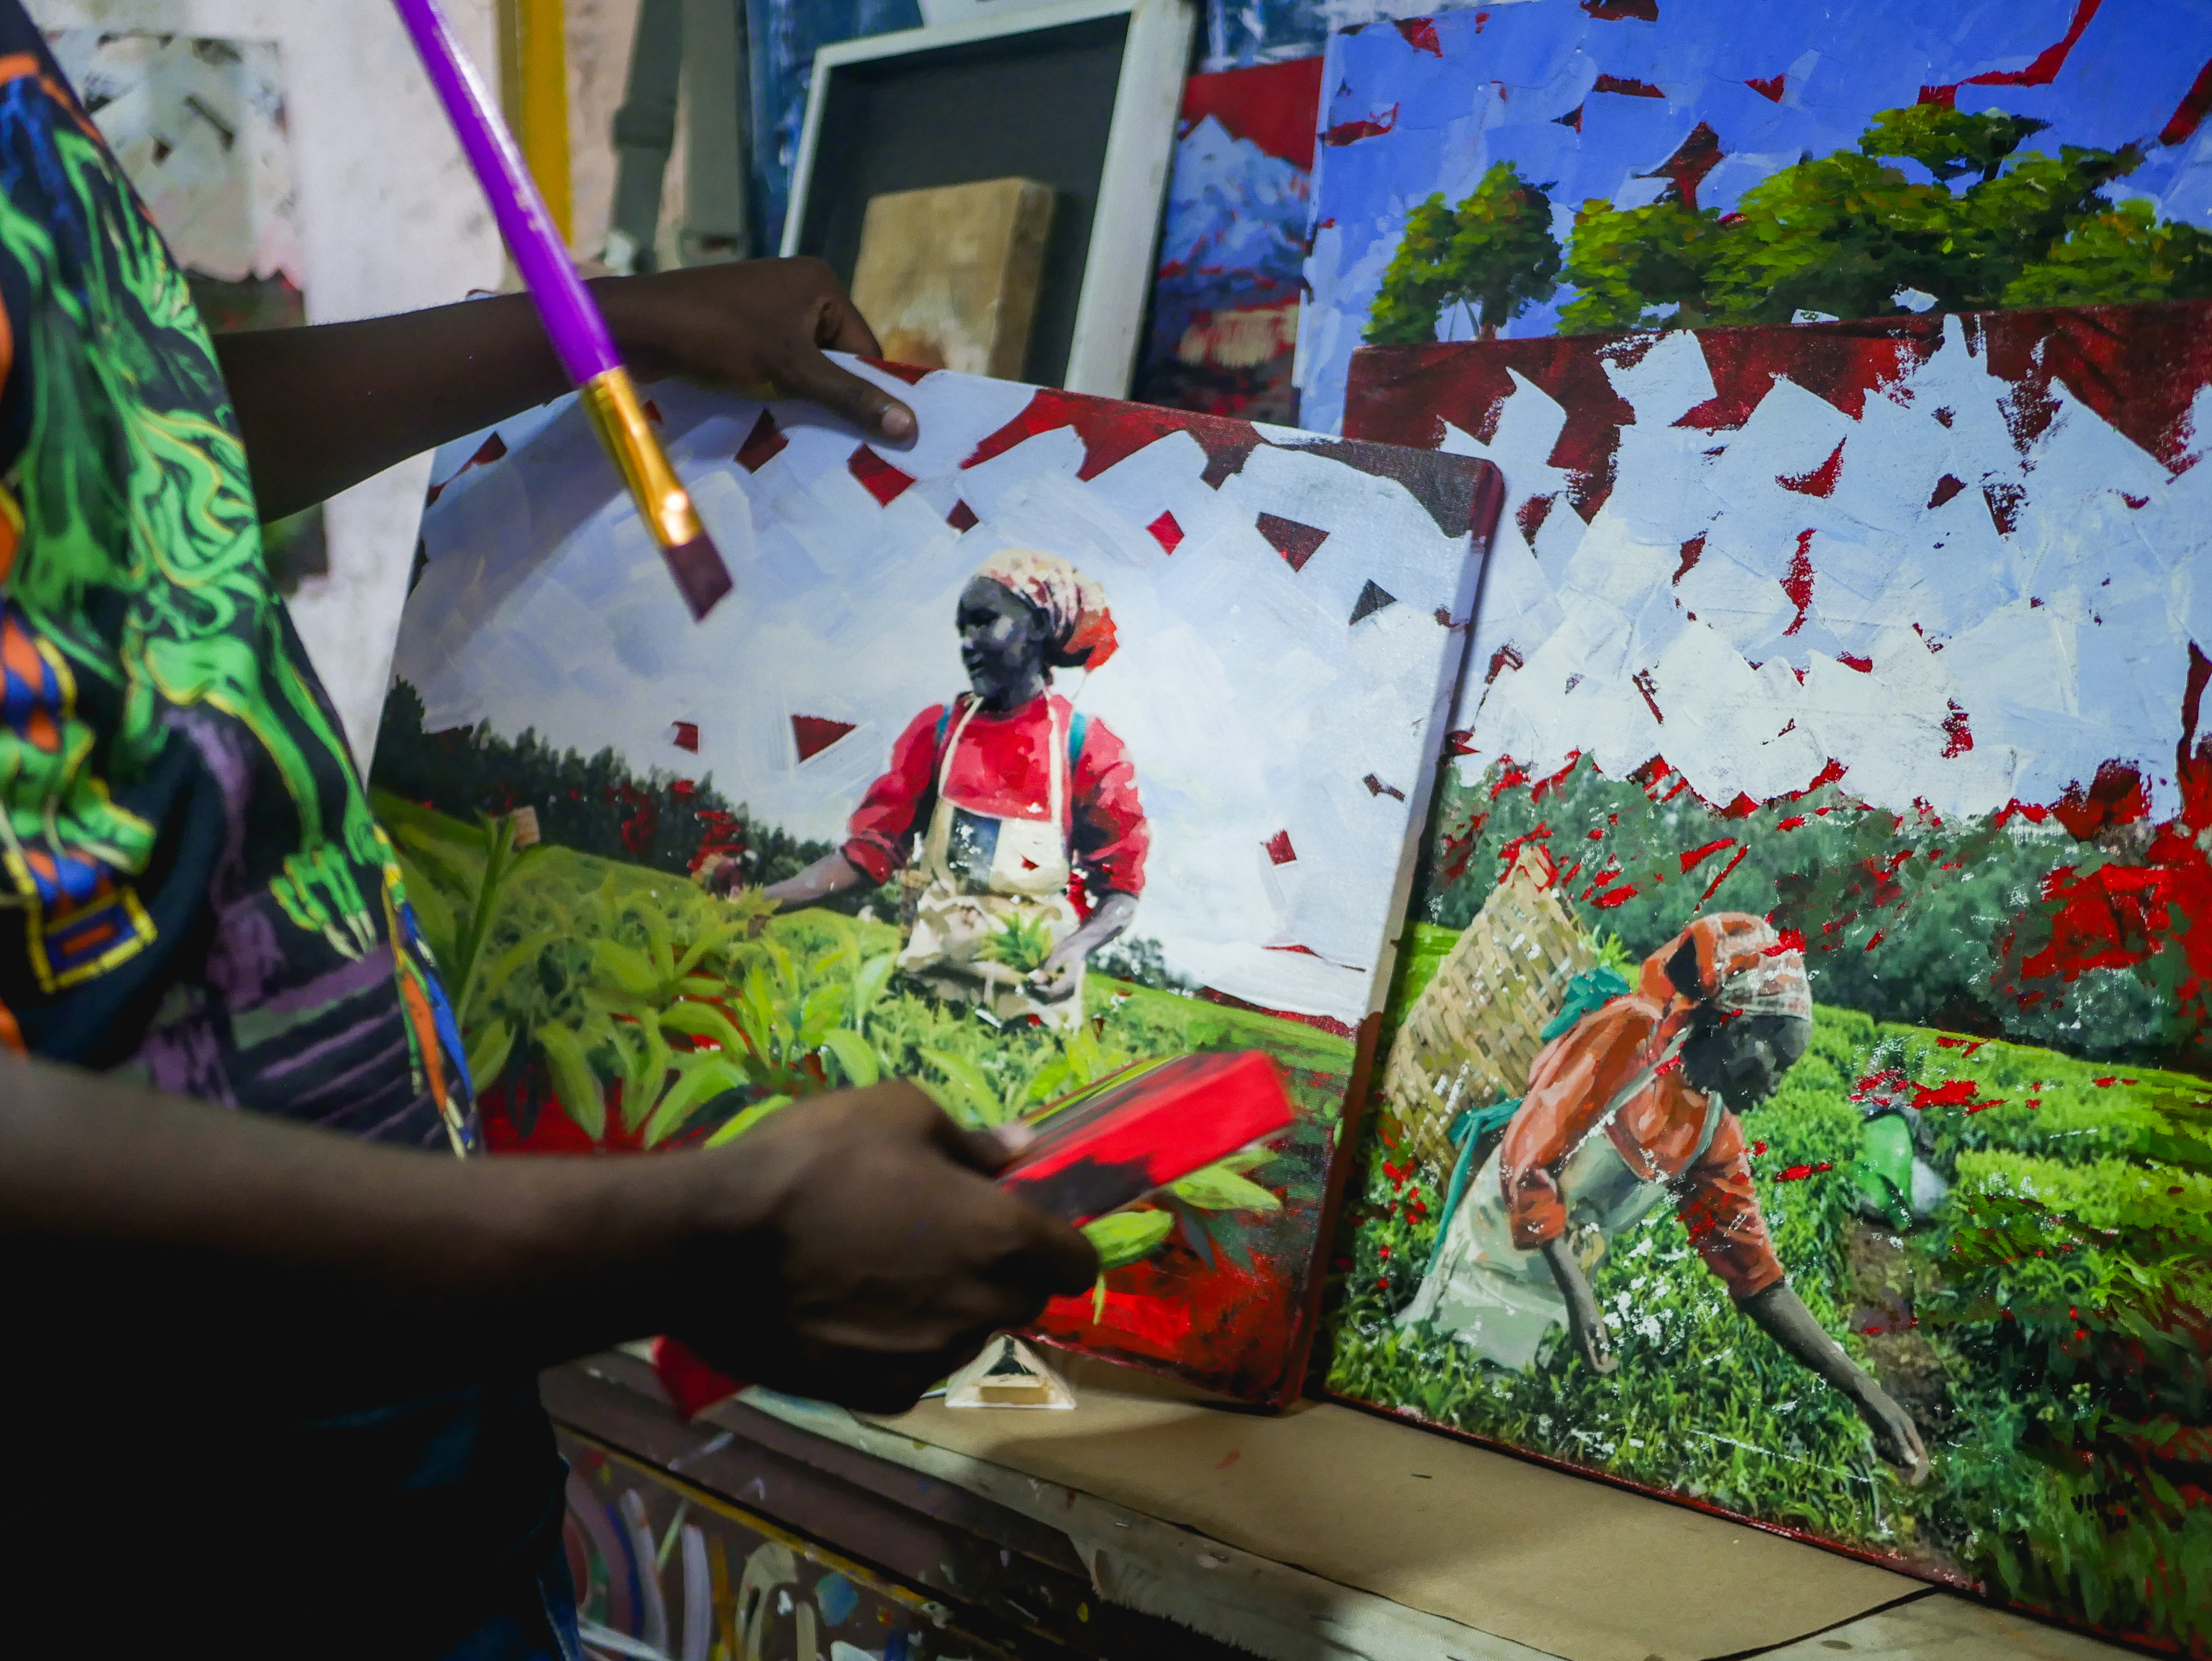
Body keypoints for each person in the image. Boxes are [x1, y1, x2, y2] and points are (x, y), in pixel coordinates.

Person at [0, 14, 1093, 1653]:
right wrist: (698, 1232)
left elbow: (116, 422)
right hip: (142, 1525)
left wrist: (599, 325)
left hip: (395, 1446)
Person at [1400, 913, 1929, 1484]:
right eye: (1778, 1058)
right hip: (1489, 1256)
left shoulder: (1712, 1135)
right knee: (1429, 1397)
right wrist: (1583, 1300)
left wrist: (1863, 1389)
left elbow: (1756, 1280)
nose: (1776, 1085)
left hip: (1560, 1298)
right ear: (1734, 1027)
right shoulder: (1632, 1034)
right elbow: (1528, 1160)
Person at [711, 549, 1147, 1030]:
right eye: (963, 629)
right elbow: (867, 854)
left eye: (984, 621)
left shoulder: (1086, 748)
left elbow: (1120, 890)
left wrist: (1076, 947)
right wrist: (763, 900)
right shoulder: (937, 734)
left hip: (1032, 1017)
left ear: (1040, 626)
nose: (969, 643)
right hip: (925, 1004)